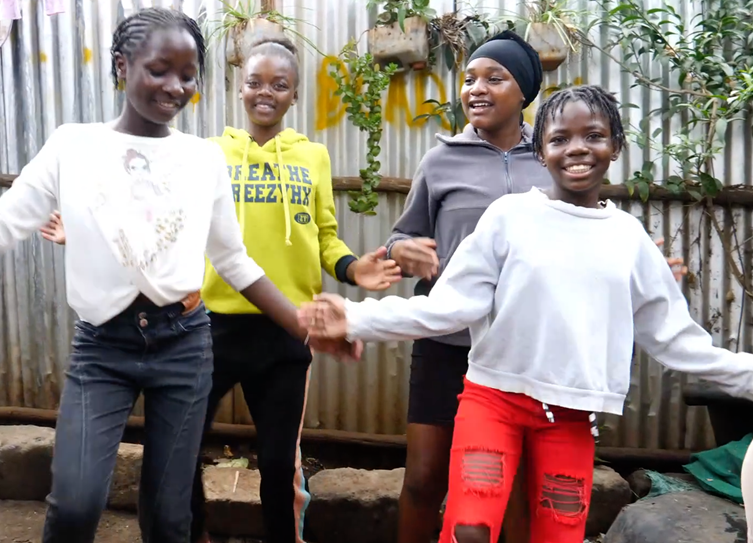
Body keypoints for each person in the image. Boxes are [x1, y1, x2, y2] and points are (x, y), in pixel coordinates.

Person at [0, 7, 356, 543]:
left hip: (184, 345)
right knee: (76, 505)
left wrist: (304, 327)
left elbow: (235, 262)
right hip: (103, 348)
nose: (175, 87)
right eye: (159, 70)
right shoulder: (73, 146)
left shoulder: (203, 159)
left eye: (188, 74)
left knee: (169, 516)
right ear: (122, 66)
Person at [299, 85, 753, 543]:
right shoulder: (509, 217)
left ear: (615, 145)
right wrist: (355, 318)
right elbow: (450, 306)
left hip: (570, 417)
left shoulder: (629, 239)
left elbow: (676, 341)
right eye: (560, 139)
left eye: (594, 135)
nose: (577, 148)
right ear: (540, 151)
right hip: (493, 403)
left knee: (560, 533)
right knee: (469, 529)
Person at [38, 36, 401, 543]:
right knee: (180, 456)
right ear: (239, 89)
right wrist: (85, 234)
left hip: (285, 327)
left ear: (295, 94)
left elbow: (323, 235)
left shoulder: (313, 157)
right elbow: (160, 225)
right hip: (209, 329)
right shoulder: (206, 154)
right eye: (255, 82)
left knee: (279, 464)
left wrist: (351, 268)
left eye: (279, 84)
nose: (265, 93)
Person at [384, 30, 686, 543]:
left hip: (527, 350)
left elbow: (588, 234)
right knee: (424, 476)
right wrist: (401, 251)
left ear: (524, 91)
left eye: (493, 78)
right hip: (446, 339)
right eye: (470, 79)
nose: (476, 89)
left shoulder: (555, 153)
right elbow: (402, 235)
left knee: (519, 489)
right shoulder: (441, 160)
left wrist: (637, 268)